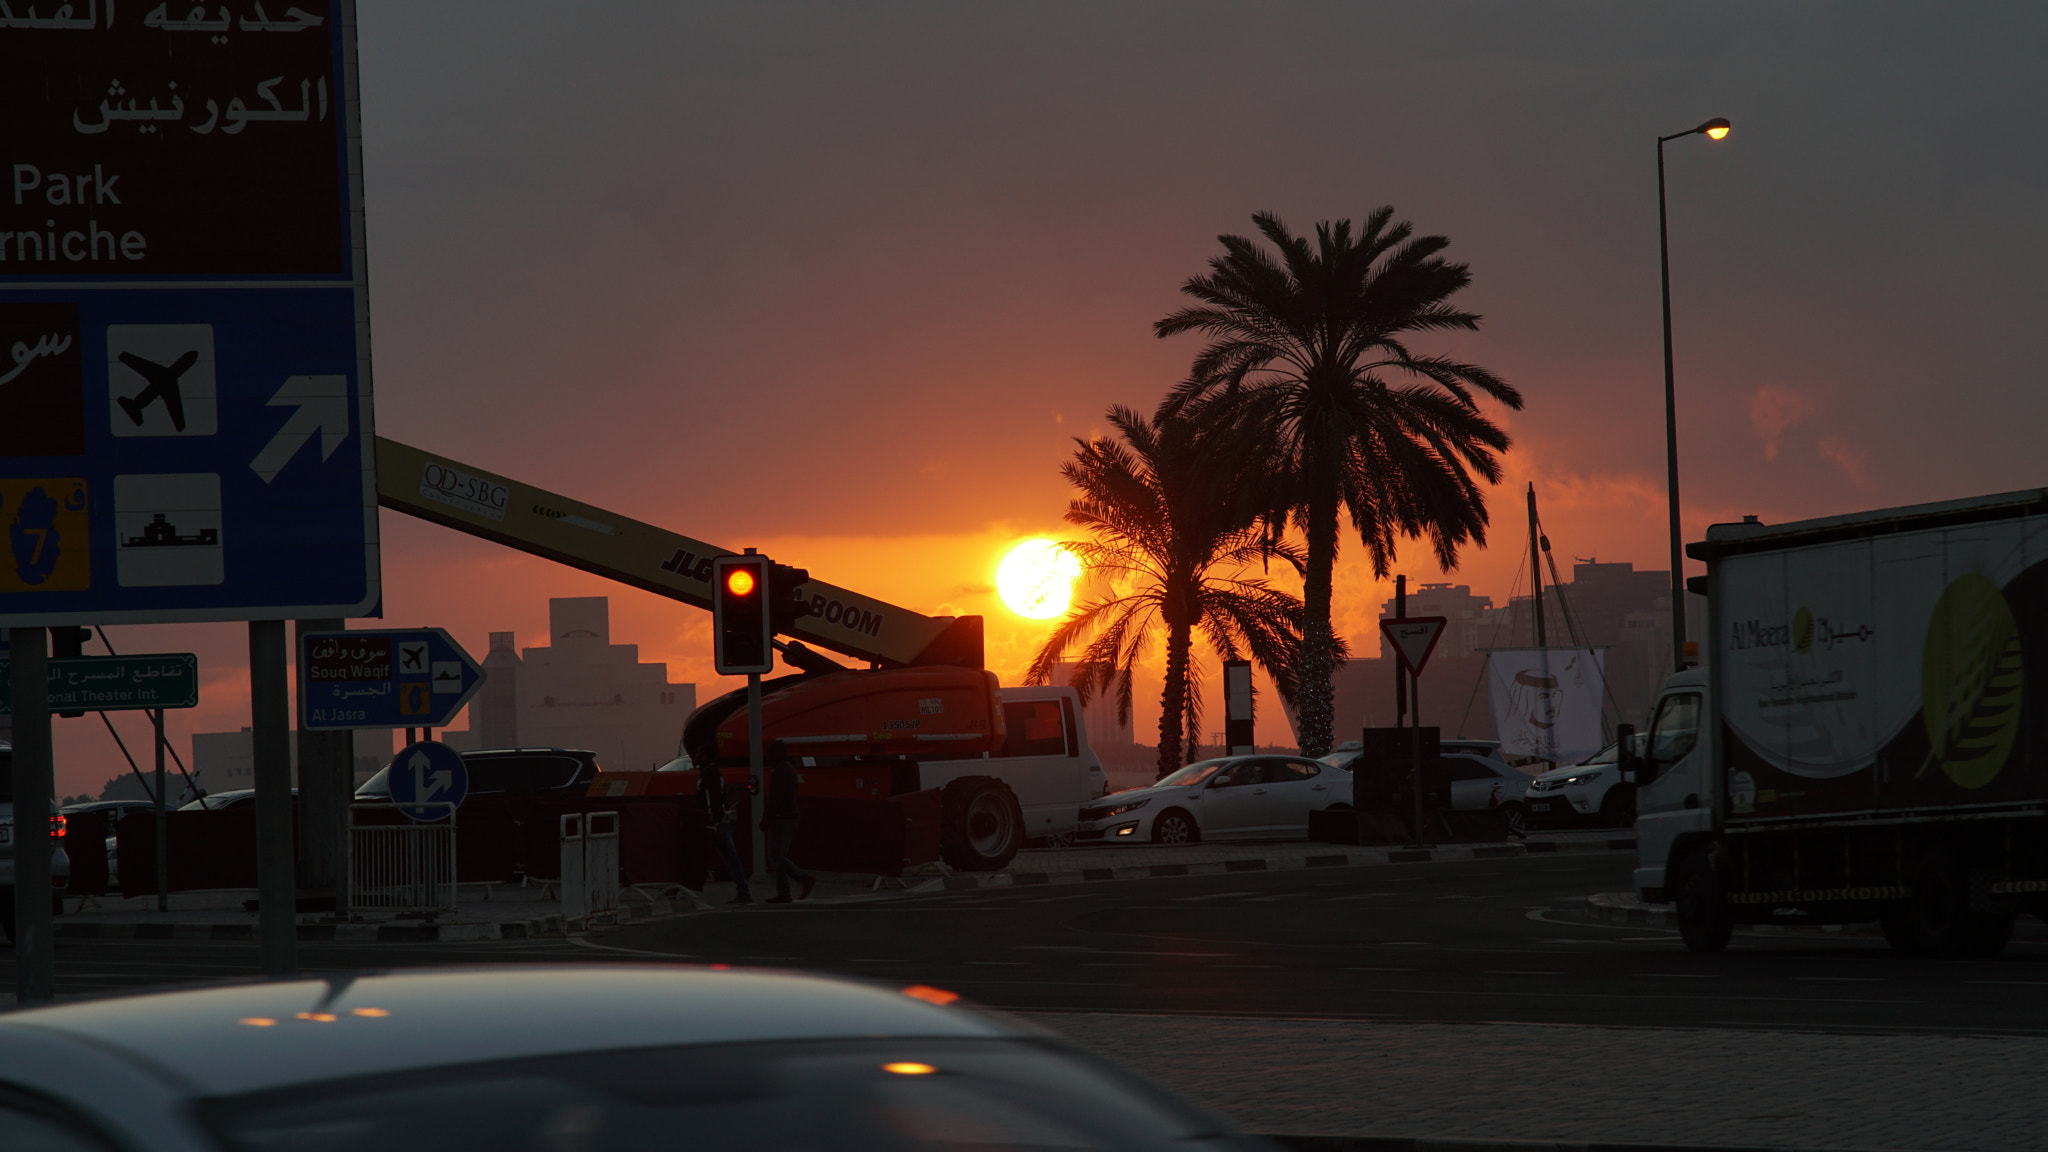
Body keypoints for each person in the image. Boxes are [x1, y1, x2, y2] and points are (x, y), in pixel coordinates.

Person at [760, 740, 816, 904]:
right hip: (789, 817)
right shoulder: (788, 769)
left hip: (781, 818)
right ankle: (783, 892)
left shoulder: (780, 771)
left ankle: (803, 878)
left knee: (776, 856)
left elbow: (775, 798)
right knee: (780, 857)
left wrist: (766, 817)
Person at [696, 755, 751, 905]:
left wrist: (716, 821)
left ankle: (743, 890)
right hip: (716, 819)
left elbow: (715, 799)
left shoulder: (710, 774)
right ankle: (743, 890)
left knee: (729, 856)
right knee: (729, 856)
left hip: (714, 820)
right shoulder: (710, 773)